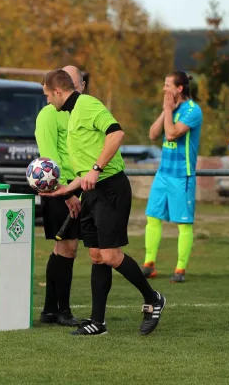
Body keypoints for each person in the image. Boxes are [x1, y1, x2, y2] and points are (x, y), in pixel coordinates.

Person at [41, 69, 165, 336]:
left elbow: (116, 134)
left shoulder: (87, 104)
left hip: (111, 188)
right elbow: (85, 170)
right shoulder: (72, 113)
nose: (48, 101)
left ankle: (153, 299)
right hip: (92, 192)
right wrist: (66, 189)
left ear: (59, 91)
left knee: (110, 255)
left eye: (48, 96)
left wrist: (97, 169)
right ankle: (98, 322)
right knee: (97, 256)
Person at [141, 71, 203, 283]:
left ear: (179, 88)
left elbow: (171, 134)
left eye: (168, 85)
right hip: (163, 173)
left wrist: (168, 111)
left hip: (181, 176)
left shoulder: (193, 111)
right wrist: (165, 112)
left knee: (183, 224)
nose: (164, 89)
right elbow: (152, 134)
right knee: (152, 218)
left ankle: (180, 270)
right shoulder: (170, 109)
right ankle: (149, 264)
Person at [35, 65, 84, 327]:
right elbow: (48, 156)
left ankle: (49, 310)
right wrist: (65, 192)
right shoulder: (48, 114)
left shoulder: (82, 111)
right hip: (59, 189)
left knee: (63, 248)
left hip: (78, 186)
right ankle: (62, 311)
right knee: (67, 247)